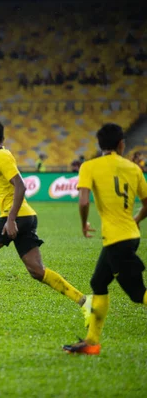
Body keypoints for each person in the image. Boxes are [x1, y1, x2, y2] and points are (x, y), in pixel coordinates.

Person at [0, 120, 90, 321]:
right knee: (37, 271)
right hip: (25, 216)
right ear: (2, 138)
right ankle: (85, 301)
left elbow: (21, 187)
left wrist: (11, 219)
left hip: (16, 217)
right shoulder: (1, 156)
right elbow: (9, 190)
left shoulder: (0, 157)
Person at [63, 124, 147, 355]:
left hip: (116, 241)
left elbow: (83, 201)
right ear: (122, 144)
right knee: (98, 283)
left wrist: (83, 224)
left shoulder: (89, 166)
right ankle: (92, 342)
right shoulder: (134, 168)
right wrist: (137, 218)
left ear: (99, 144)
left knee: (138, 293)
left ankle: (92, 343)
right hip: (128, 236)